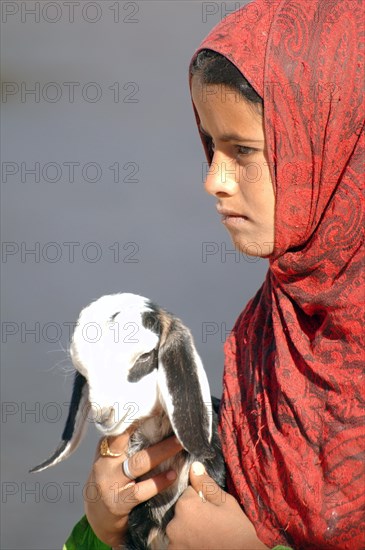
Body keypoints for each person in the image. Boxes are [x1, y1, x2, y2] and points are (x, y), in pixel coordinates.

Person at [64, 0, 364, 548]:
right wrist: (108, 522)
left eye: (244, 150)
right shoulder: (270, 338)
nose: (214, 181)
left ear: (334, 144)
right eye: (210, 145)